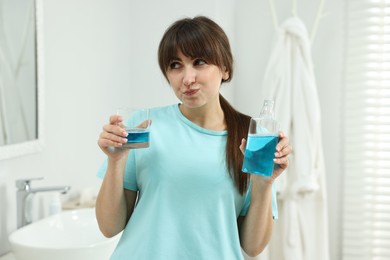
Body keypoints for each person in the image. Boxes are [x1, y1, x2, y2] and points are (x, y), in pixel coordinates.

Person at [96, 16, 292, 260]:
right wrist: (115, 162)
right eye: (175, 65)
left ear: (225, 68)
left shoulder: (251, 139)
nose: (187, 79)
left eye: (199, 62)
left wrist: (264, 185)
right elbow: (108, 227)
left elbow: (252, 247)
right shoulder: (144, 126)